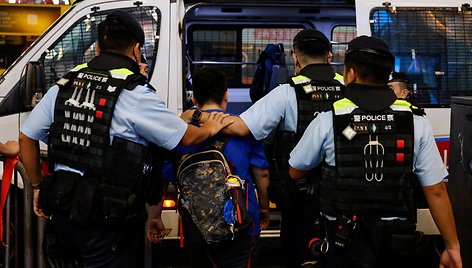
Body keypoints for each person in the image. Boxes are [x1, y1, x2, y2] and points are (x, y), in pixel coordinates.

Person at [18, 10, 230, 268]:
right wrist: (211, 127)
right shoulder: (134, 93)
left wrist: (37, 185)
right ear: (136, 49)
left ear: (97, 47)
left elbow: (26, 136)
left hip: (62, 212)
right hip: (105, 220)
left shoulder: (65, 82)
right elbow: (184, 138)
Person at [289, 35, 462, 268]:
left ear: (350, 74)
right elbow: (436, 191)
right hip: (397, 245)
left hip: (343, 242)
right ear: (387, 76)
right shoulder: (415, 122)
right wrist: (452, 246)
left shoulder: (327, 120)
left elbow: (295, 171)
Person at [183, 28, 344, 267]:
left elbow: (240, 128)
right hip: (342, 197)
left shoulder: (285, 93)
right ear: (329, 56)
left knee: (300, 256)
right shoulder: (349, 90)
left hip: (299, 200)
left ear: (295, 57)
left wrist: (195, 115)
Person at [147, 67, 270, 267]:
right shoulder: (243, 130)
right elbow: (262, 174)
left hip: (196, 228)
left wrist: (155, 216)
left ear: (194, 99)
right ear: (226, 96)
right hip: (242, 224)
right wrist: (264, 207)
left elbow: (160, 180)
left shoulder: (181, 133)